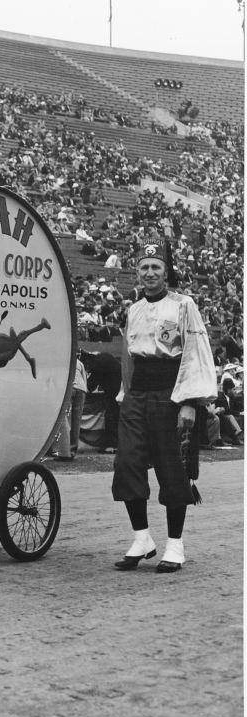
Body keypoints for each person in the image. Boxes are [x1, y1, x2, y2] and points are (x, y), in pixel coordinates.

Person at [113, 241, 216, 574]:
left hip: (171, 393)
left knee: (173, 469)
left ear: (166, 272)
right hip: (137, 394)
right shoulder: (134, 310)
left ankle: (175, 545)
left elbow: (195, 353)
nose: (150, 273)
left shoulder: (184, 306)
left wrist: (189, 403)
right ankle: (142, 538)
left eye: (156, 267)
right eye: (144, 267)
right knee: (127, 462)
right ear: (138, 273)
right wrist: (125, 395)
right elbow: (129, 357)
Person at [49, 355, 88, 461]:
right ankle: (72, 450)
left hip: (69, 387)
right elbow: (84, 378)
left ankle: (63, 452)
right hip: (81, 389)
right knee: (76, 421)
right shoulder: (79, 362)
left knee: (63, 419)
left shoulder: (60, 359)